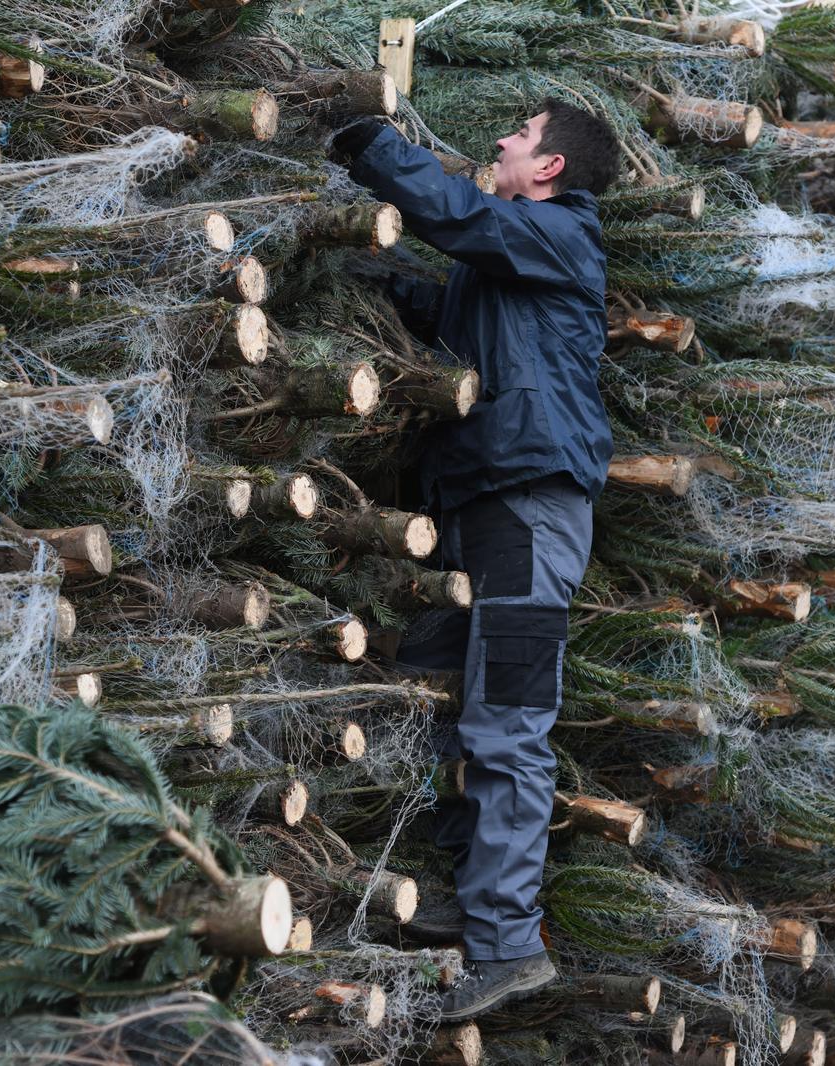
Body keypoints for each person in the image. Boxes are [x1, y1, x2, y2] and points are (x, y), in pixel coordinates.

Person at [329, 100, 618, 1022]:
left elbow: (461, 216)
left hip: (532, 509)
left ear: (550, 171)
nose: (500, 141)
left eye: (520, 135)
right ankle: (461, 899)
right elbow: (438, 300)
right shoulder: (505, 264)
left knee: (508, 724)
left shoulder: (557, 236)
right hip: (480, 507)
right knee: (431, 687)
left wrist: (369, 140)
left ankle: (508, 943)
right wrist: (346, 261)